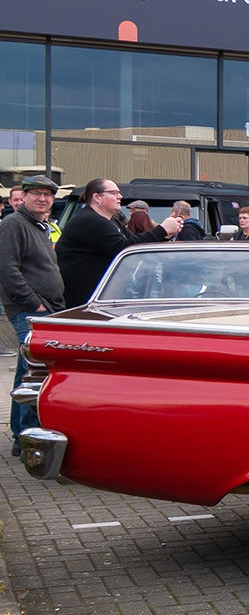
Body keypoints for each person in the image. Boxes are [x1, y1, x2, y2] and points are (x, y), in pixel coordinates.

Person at [0, 175, 65, 456]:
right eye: (36, 193)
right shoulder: (13, 225)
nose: (43, 198)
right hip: (29, 311)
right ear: (23, 197)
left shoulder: (41, 225)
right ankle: (25, 438)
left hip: (48, 308)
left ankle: (23, 435)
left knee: (29, 371)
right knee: (33, 373)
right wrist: (34, 304)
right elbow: (7, 269)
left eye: (48, 194)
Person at [56, 178, 183, 306]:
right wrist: (162, 229)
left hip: (102, 296)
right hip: (84, 299)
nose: (120, 196)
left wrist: (167, 233)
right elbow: (123, 248)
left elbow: (135, 242)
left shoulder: (111, 220)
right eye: (114, 193)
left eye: (118, 192)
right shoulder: (89, 220)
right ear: (97, 197)